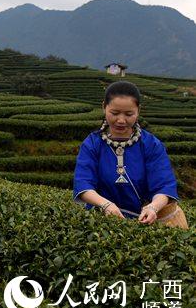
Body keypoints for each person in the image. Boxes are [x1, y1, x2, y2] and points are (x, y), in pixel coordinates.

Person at [73, 81, 183, 226]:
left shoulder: (151, 144)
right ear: (104, 107)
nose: (121, 120)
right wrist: (106, 205)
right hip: (99, 221)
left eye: (129, 114)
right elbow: (83, 183)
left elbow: (164, 185)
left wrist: (152, 208)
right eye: (114, 113)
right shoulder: (92, 144)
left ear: (138, 110)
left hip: (144, 222)